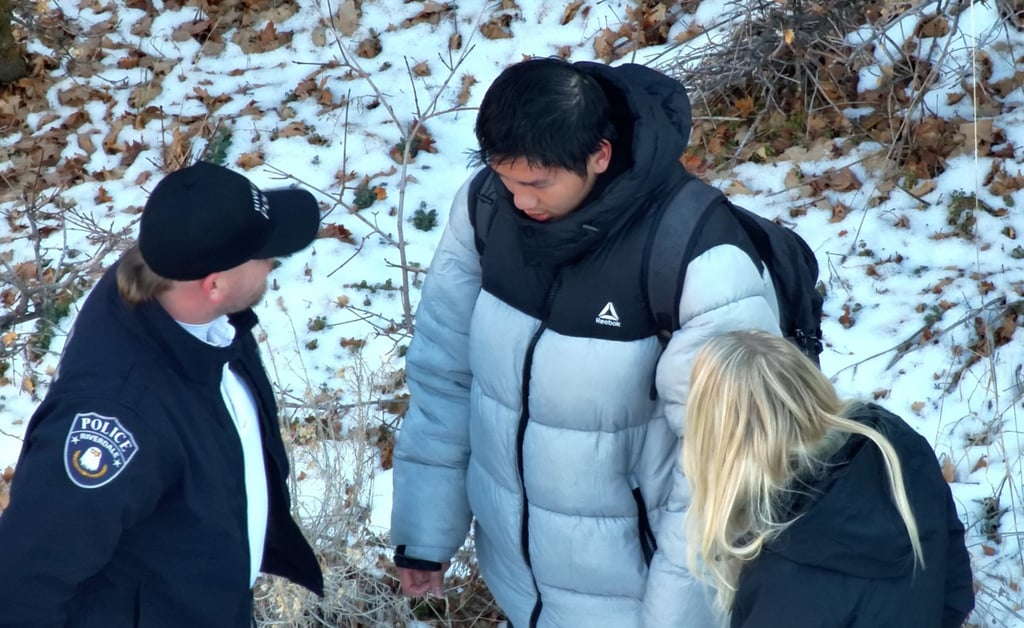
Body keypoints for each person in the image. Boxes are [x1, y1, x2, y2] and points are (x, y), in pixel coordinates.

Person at [390, 57, 785, 627]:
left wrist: (676, 621)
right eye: (506, 177)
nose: (519, 199)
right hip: (522, 588)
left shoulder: (698, 256)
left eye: (537, 183)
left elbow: (722, 475)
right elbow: (444, 373)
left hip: (639, 601)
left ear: (599, 155)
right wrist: (425, 533)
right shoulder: (484, 210)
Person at [0, 161, 324, 627]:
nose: (274, 262)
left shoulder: (187, 302)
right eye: (265, 254)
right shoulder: (118, 419)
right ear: (214, 285)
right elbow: (22, 587)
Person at [682, 330, 975, 628]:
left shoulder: (779, 581)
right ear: (809, 386)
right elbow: (955, 590)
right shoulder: (897, 450)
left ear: (716, 444)